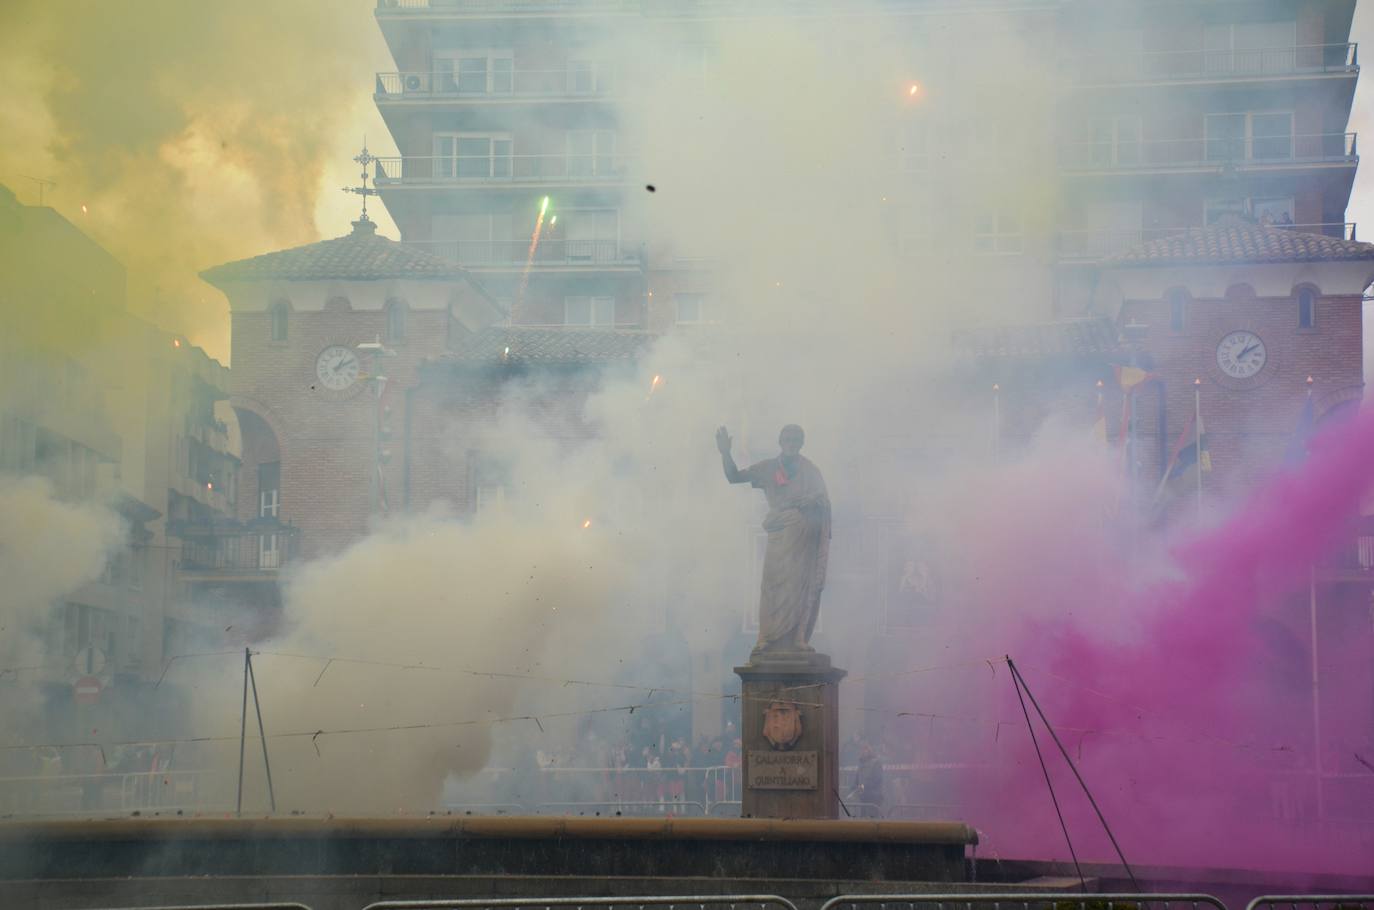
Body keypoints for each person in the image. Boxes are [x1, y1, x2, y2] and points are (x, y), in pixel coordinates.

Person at [717, 424, 831, 654]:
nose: (792, 442)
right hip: (780, 535)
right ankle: (765, 637)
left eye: (797, 438)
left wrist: (813, 502)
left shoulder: (812, 471)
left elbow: (824, 502)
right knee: (772, 586)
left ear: (802, 442)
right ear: (780, 441)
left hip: (804, 538)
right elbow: (734, 476)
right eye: (788, 438)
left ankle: (799, 638)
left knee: (802, 586)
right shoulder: (768, 468)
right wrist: (725, 453)